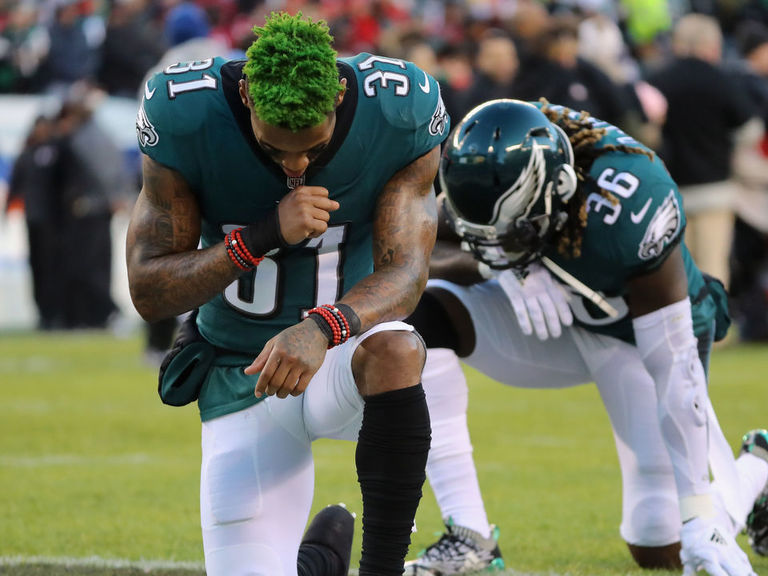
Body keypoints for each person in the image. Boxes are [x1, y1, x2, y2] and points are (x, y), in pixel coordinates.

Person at [127, 11, 449, 576]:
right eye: (276, 151)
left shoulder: (399, 109)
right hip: (240, 369)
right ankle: (317, 564)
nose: (296, 166)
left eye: (312, 148)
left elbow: (407, 274)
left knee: (402, 351)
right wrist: (260, 236)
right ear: (247, 96)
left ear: (341, 94)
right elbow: (151, 291)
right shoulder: (186, 113)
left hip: (345, 354)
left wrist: (323, 327)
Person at [401, 99, 768, 575]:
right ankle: (470, 537)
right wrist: (500, 261)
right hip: (551, 320)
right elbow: (423, 249)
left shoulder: (632, 205)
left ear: (561, 189)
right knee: (419, 319)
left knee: (658, 543)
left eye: (514, 230)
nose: (499, 242)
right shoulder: (491, 159)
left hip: (634, 336)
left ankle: (756, 468)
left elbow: (673, 361)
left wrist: (699, 506)